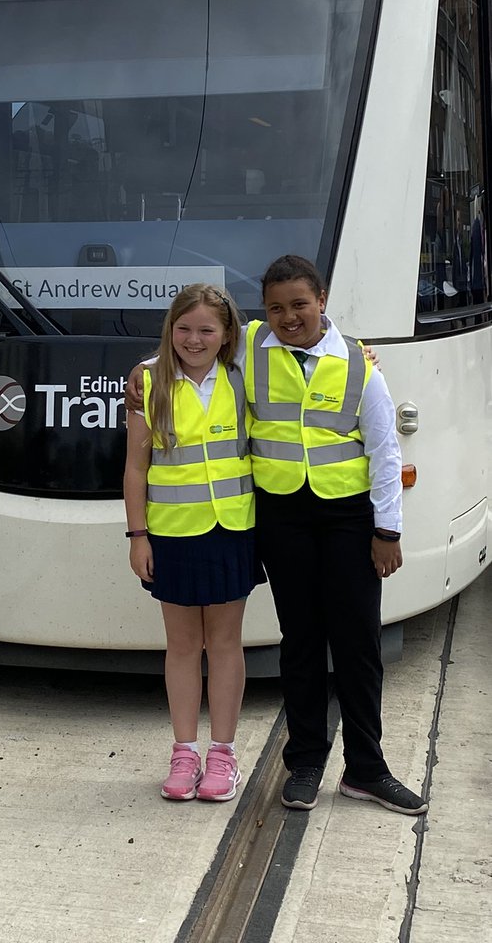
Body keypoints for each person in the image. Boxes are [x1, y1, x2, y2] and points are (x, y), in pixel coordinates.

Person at [125, 256, 427, 816]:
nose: (289, 317)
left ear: (323, 300)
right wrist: (144, 369)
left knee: (358, 643)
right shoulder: (253, 346)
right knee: (302, 641)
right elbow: (189, 345)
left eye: (300, 305)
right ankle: (306, 763)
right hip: (283, 518)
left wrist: (389, 528)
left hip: (347, 518)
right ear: (262, 314)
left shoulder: (359, 364)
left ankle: (368, 768)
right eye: (276, 307)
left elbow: (385, 451)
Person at [124, 284, 264, 802]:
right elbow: (136, 468)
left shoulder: (243, 376)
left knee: (225, 645)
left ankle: (222, 755)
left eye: (207, 329)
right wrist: (138, 536)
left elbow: (299, 343)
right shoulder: (149, 381)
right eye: (184, 329)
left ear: (228, 333)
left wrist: (362, 351)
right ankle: (184, 753)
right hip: (172, 535)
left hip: (231, 529)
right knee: (182, 647)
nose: (194, 339)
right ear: (170, 329)